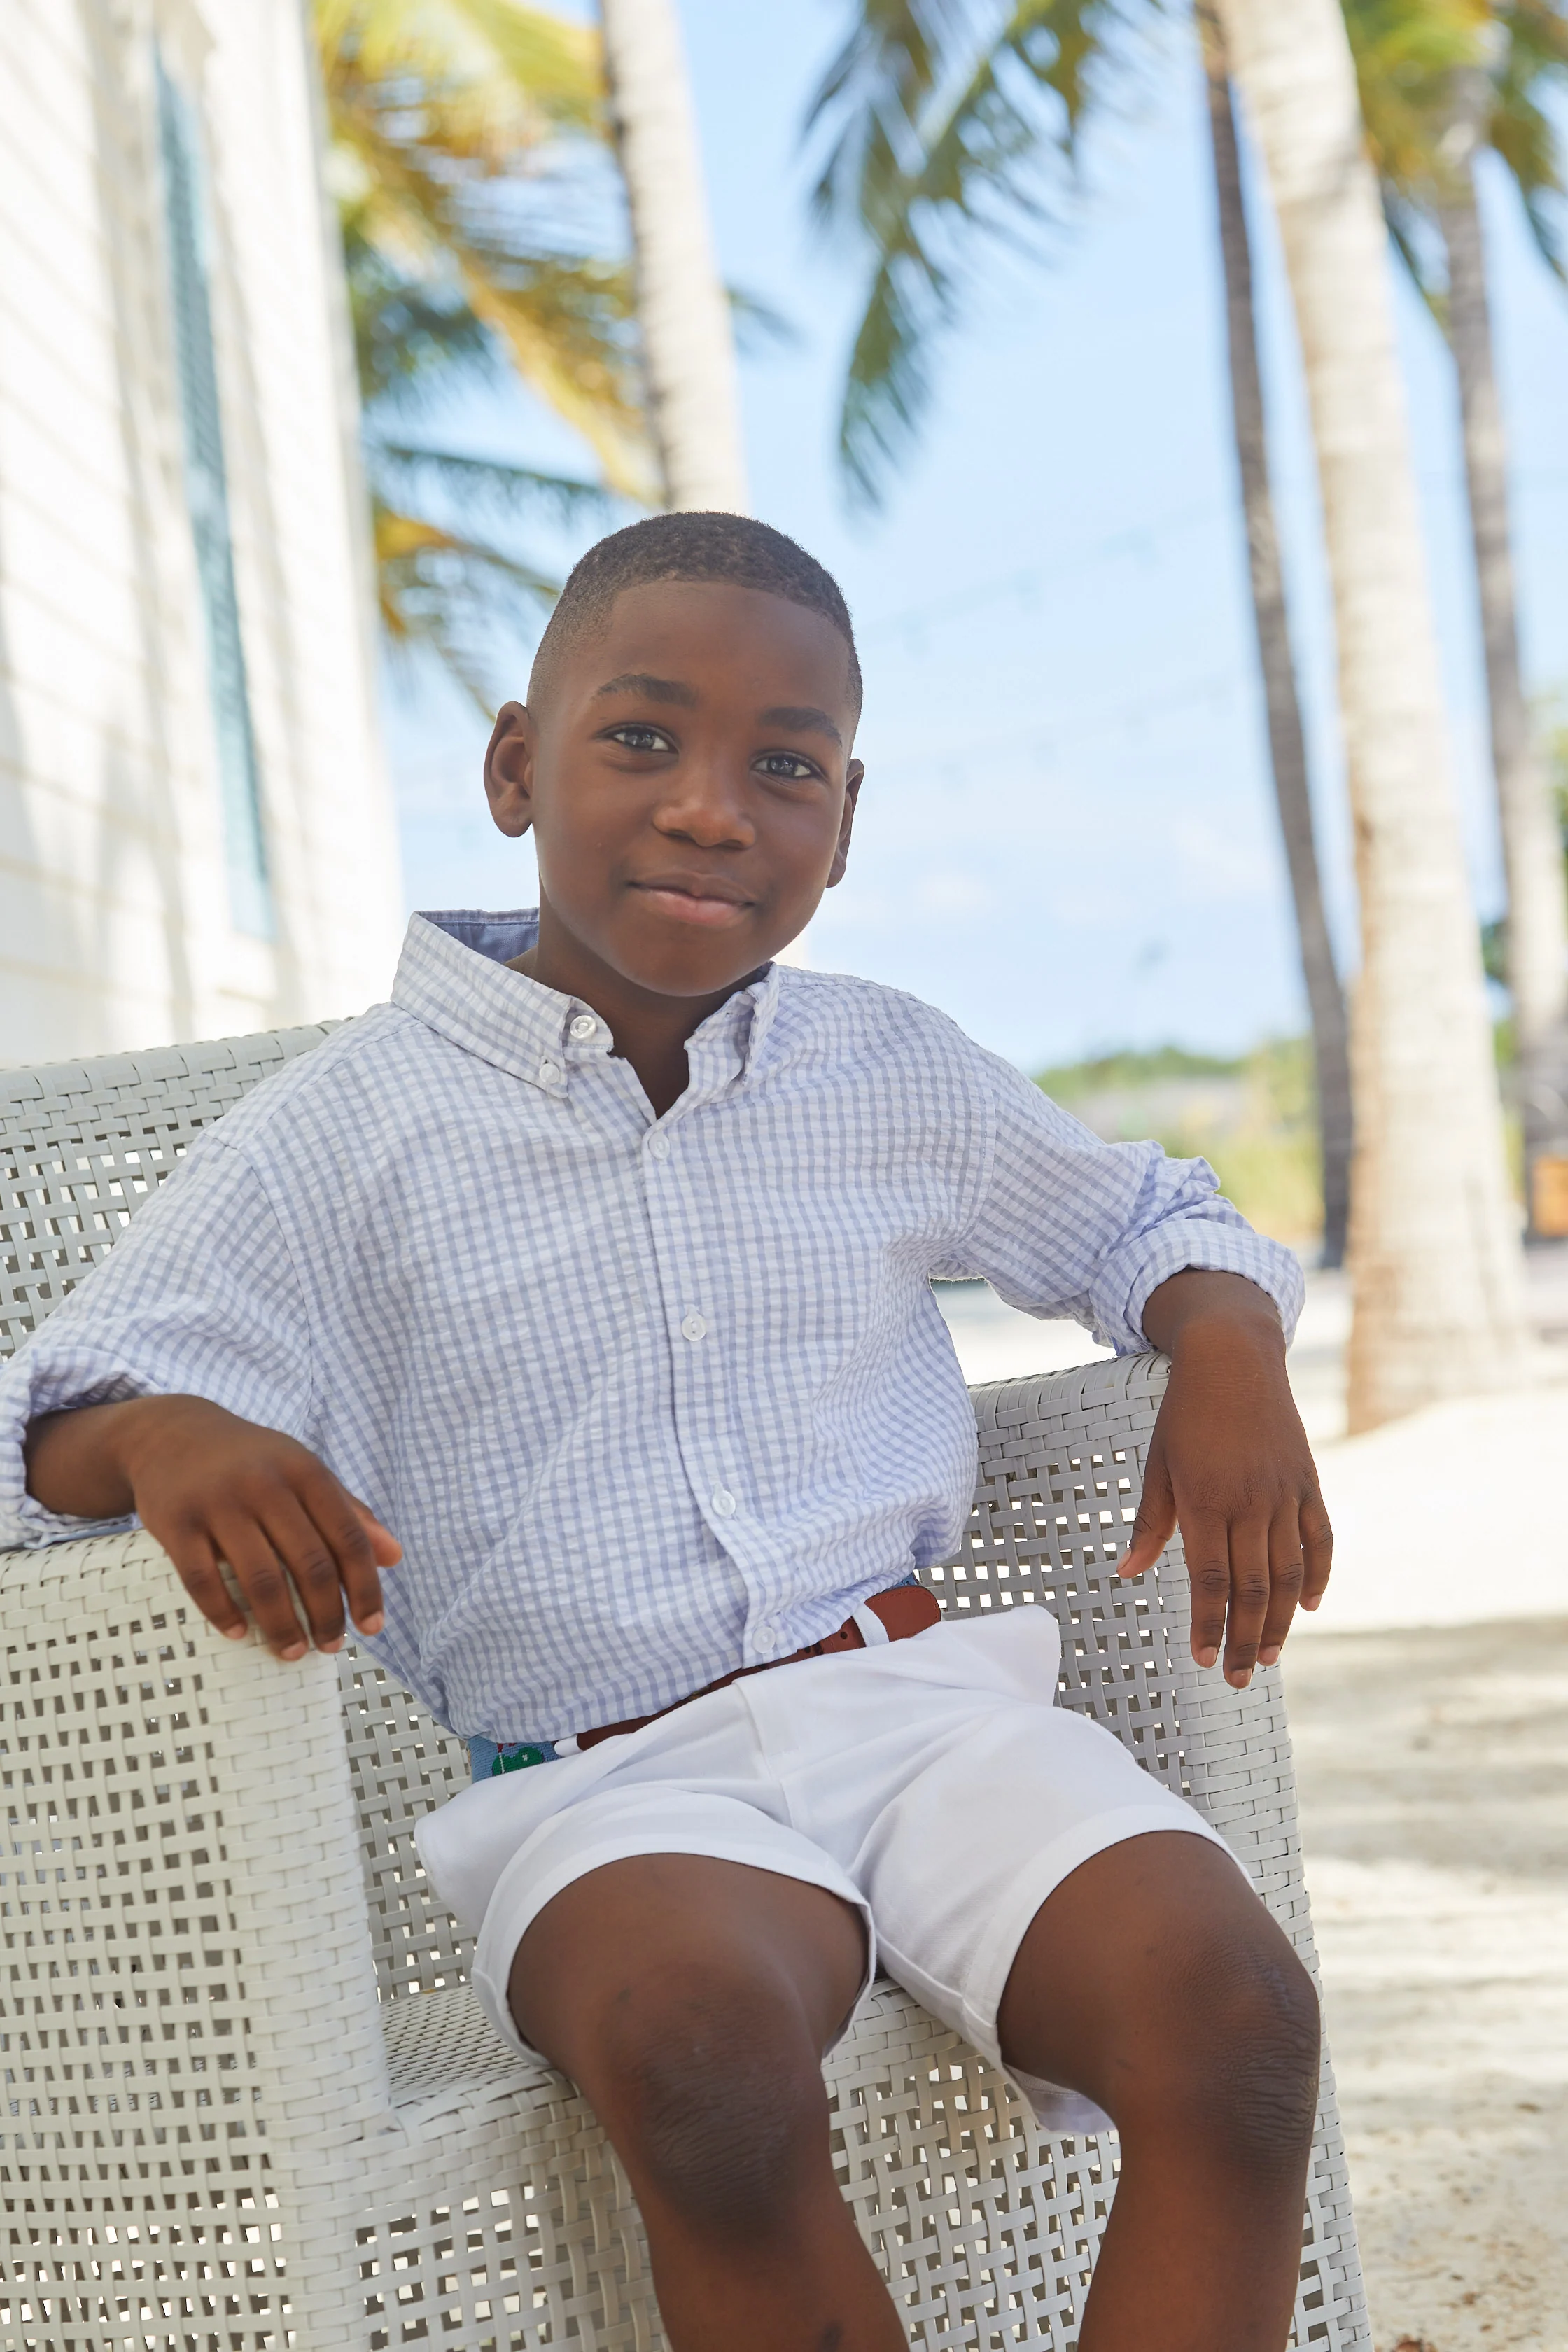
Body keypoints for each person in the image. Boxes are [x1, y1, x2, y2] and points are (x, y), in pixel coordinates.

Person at [1, 514, 1331, 2352]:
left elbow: (1147, 1224)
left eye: (783, 766)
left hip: (934, 1717)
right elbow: (44, 1426)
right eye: (641, 739)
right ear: (510, 765)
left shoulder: (891, 1069)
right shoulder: (345, 1133)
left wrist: (1231, 1351)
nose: (712, 806)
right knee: (703, 2068)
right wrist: (161, 1441)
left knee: (1240, 2027)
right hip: (603, 1792)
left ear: (843, 828)